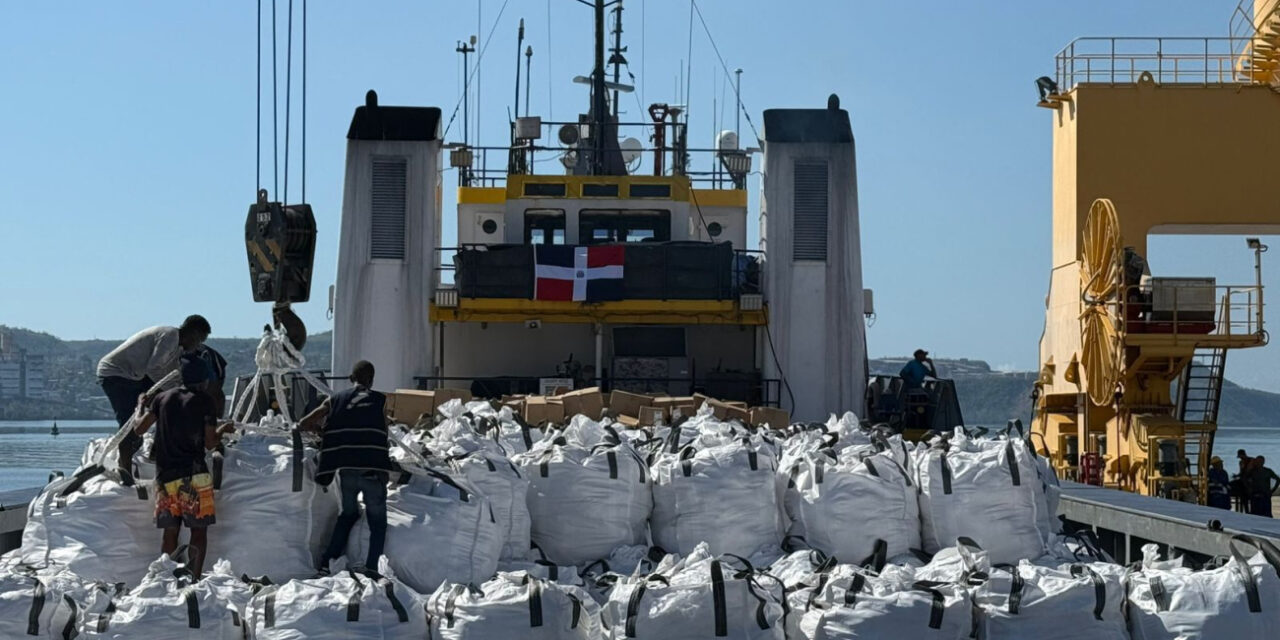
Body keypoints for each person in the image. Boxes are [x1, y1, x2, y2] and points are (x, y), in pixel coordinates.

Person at [132, 355, 234, 578]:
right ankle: (194, 579)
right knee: (198, 531)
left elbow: (139, 429)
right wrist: (223, 430)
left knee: (170, 531)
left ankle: (166, 578)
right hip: (194, 477)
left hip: (165, 477)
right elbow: (209, 442)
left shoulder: (162, 398)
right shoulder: (205, 401)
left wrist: (140, 405)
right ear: (205, 380)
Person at [299, 361, 392, 574]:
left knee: (347, 515)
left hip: (347, 472)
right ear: (371, 379)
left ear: (352, 378)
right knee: (377, 522)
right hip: (371, 473)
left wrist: (324, 433)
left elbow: (304, 422)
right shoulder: (380, 400)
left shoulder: (335, 400)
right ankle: (371, 568)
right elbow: (382, 434)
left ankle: (326, 562)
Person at [98, 315, 212, 477]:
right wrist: (176, 390)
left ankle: (154, 449)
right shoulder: (170, 336)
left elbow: (173, 375)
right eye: (200, 340)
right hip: (116, 373)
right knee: (129, 425)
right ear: (192, 334)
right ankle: (125, 471)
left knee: (168, 404)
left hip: (135, 376)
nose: (198, 345)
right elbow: (154, 369)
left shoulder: (177, 347)